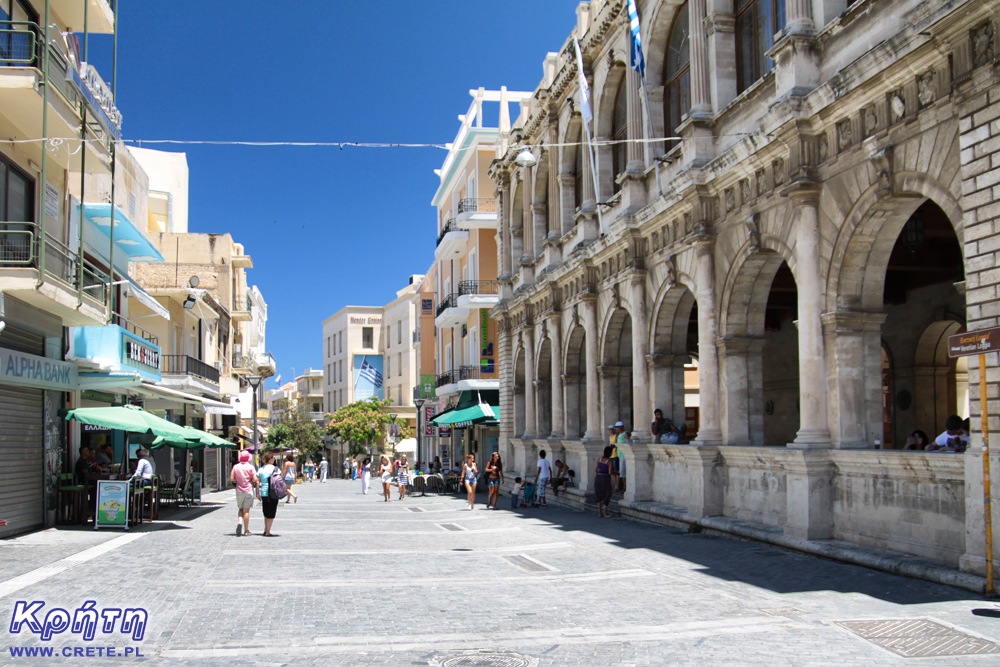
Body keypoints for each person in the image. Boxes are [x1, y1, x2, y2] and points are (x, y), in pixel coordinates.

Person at [229, 450, 258, 536]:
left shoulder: (235, 467)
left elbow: (231, 478)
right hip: (248, 490)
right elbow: (254, 479)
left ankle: (239, 522)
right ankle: (246, 530)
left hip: (239, 490)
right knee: (246, 511)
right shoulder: (251, 467)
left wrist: (238, 480)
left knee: (240, 508)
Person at [255, 451, 279, 537]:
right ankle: (267, 532)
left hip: (264, 493)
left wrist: (257, 493)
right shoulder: (275, 469)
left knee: (266, 512)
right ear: (270, 459)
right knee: (271, 513)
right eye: (273, 458)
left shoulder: (261, 469)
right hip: (273, 492)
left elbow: (257, 482)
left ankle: (266, 529)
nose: (274, 459)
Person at [594, 446, 614, 518]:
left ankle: (600, 512)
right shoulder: (609, 461)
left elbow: (595, 470)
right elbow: (610, 472)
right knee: (607, 493)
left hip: (598, 477)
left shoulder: (599, 459)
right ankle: (605, 512)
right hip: (605, 477)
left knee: (598, 493)